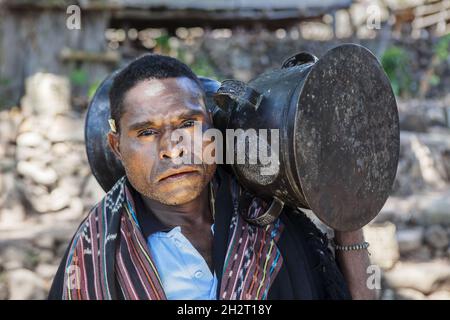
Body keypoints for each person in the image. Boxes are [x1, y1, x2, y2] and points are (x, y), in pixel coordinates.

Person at [48, 54, 374, 300]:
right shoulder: (95, 255)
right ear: (116, 146)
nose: (173, 150)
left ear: (213, 128)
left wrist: (344, 212)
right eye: (147, 132)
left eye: (188, 124)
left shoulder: (271, 222)